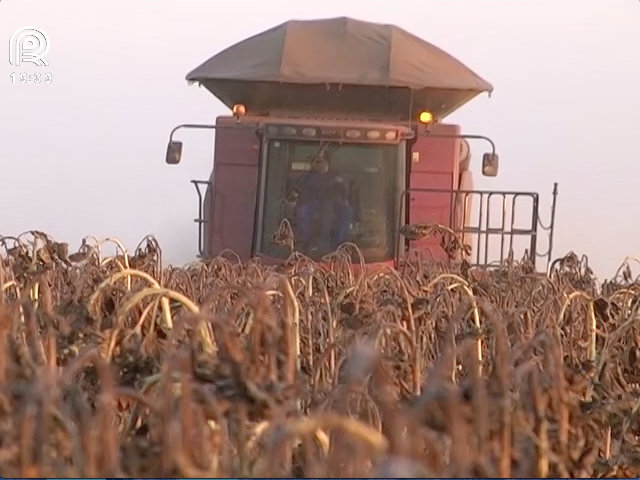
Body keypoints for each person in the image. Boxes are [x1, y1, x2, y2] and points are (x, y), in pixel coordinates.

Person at [294, 153, 353, 253]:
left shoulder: (336, 174)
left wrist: (337, 190)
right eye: (315, 162)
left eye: (319, 161)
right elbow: (301, 190)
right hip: (315, 203)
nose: (316, 164)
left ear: (327, 162)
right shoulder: (308, 176)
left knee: (347, 211)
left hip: (333, 203)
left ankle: (340, 242)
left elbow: (343, 189)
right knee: (302, 210)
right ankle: (306, 241)